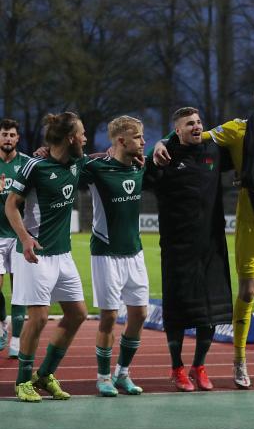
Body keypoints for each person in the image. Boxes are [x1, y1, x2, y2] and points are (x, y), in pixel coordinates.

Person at [154, 81, 254, 389]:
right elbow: (193, 135)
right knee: (247, 292)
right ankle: (239, 361)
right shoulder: (236, 130)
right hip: (250, 223)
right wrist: (160, 141)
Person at [145, 108, 234, 392]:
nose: (196, 126)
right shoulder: (163, 156)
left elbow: (245, 141)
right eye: (189, 124)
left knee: (211, 309)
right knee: (177, 310)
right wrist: (158, 144)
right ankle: (177, 367)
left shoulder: (214, 151)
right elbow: (140, 175)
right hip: (177, 247)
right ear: (177, 130)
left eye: (198, 122)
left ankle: (199, 366)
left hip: (212, 244)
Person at [6, 112, 88, 402]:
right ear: (70, 138)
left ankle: (44, 374)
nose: (85, 139)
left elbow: (106, 157)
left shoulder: (77, 162)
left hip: (63, 255)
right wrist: (25, 238)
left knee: (77, 314)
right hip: (35, 254)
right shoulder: (34, 166)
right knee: (38, 318)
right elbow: (11, 205)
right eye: (82, 134)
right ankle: (22, 382)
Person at [81, 116, 148, 396]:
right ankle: (103, 377)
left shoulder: (140, 166)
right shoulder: (96, 168)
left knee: (140, 314)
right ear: (121, 140)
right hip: (105, 253)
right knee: (108, 317)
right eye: (138, 137)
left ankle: (123, 373)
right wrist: (46, 151)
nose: (144, 142)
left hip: (135, 252)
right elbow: (66, 162)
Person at [0, 118, 29, 358]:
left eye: (12, 135)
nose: (8, 138)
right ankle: (2, 322)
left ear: (17, 138)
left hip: (19, 235)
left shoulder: (27, 164)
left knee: (19, 289)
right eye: (4, 134)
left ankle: (17, 340)